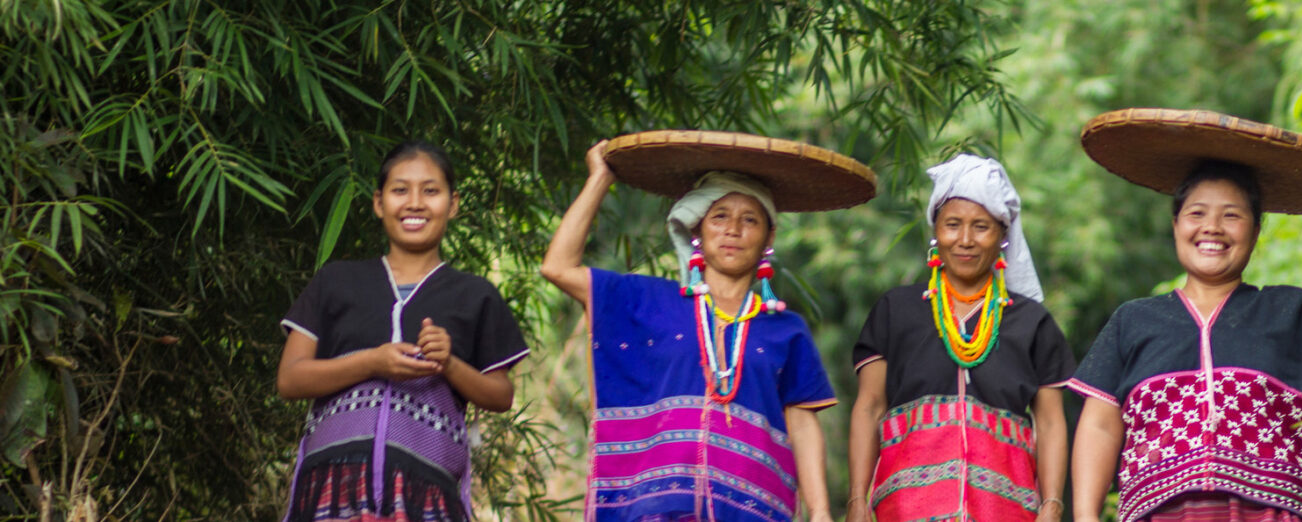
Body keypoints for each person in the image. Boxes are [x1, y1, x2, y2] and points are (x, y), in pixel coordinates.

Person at [1069, 110, 1302, 522]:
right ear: (1175, 225)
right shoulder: (1134, 321)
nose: (1212, 227)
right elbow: (1100, 426)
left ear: (1256, 230)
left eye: (1232, 215)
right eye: (1196, 214)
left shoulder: (1292, 312)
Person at [540, 134, 868, 521]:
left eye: (750, 220)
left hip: (753, 510)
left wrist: (819, 511)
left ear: (769, 237)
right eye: (719, 216)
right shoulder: (646, 300)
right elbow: (557, 267)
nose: (733, 229)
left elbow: (802, 421)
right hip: (659, 509)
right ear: (697, 228)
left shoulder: (785, 328)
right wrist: (600, 178)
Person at [276, 140, 530, 521]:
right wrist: (372, 363)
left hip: (424, 491)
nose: (415, 203)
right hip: (333, 487)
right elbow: (290, 380)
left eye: (431, 191)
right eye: (400, 190)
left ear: (453, 203)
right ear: (379, 203)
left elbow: (500, 396)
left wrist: (450, 364)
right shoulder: (336, 280)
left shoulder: (475, 295)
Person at [847, 154, 1075, 522]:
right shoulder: (896, 310)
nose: (965, 240)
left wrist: (1051, 505)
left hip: (1007, 511)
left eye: (981, 226)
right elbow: (869, 406)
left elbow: (1049, 422)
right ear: (935, 229)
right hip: (905, 510)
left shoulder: (1032, 322)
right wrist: (857, 500)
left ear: (1003, 235)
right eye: (953, 224)